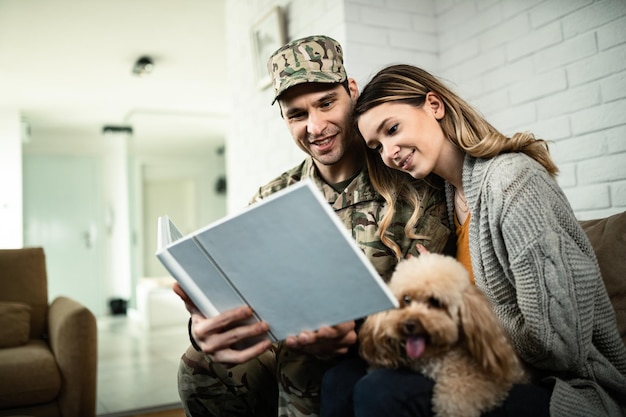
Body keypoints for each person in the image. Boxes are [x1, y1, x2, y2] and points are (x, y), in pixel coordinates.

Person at [175, 38, 453, 417]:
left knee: (324, 376)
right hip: (289, 351)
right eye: (297, 114)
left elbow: (435, 306)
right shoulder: (273, 196)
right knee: (197, 367)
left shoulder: (411, 179)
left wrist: (356, 334)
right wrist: (203, 326)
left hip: (381, 357)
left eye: (326, 103)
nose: (315, 126)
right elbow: (242, 289)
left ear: (351, 92)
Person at [334, 63, 626, 416]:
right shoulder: (444, 196)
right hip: (481, 366)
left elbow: (560, 344)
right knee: (340, 378)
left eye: (393, 129)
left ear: (434, 105)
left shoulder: (513, 183)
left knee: (381, 391)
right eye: (377, 146)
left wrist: (464, 311)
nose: (390, 152)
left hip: (561, 384)